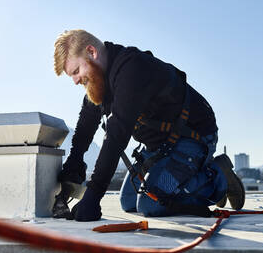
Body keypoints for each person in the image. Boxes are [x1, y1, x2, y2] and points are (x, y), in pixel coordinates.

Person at [52, 29, 245, 222]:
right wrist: (74, 162)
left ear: (92, 52)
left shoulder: (131, 69)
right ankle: (193, 178)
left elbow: (116, 135)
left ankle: (218, 177)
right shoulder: (99, 79)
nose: (76, 80)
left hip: (192, 137)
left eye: (76, 71)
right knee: (128, 201)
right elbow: (86, 123)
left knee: (151, 204)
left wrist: (93, 196)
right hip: (158, 147)